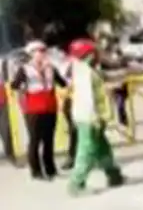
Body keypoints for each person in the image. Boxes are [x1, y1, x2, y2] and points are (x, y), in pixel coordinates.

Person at [65, 38, 126, 196]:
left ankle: (114, 175)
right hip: (89, 118)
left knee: (103, 149)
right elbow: (87, 98)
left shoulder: (88, 70)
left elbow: (99, 87)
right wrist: (94, 118)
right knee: (86, 152)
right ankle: (76, 184)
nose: (98, 54)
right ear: (88, 55)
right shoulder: (84, 73)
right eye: (94, 52)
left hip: (96, 116)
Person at [9, 40, 66, 180]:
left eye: (43, 51)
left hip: (50, 107)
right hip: (33, 109)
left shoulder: (51, 68)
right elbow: (14, 85)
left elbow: (63, 83)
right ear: (31, 54)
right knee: (35, 140)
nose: (41, 54)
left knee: (49, 140)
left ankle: (50, 168)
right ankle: (36, 171)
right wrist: (24, 89)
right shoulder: (25, 69)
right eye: (38, 52)